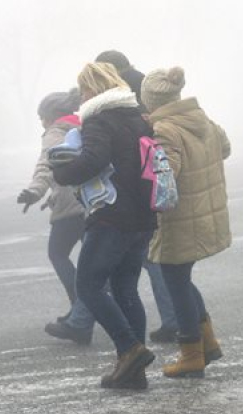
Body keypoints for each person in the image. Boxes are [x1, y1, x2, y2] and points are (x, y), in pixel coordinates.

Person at [52, 62, 156, 389]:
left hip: (111, 215)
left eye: (84, 89)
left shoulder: (98, 118)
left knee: (89, 286)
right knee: (125, 289)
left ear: (94, 89)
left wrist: (63, 173)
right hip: (142, 216)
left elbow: (94, 159)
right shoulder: (137, 117)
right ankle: (133, 372)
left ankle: (129, 349)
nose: (81, 96)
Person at [141, 66, 231, 378]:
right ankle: (208, 343)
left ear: (150, 100)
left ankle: (192, 353)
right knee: (182, 279)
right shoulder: (200, 118)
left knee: (175, 281)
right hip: (206, 212)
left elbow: (169, 174)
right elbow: (226, 148)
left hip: (179, 220)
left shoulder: (165, 129)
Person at [94, 49, 179, 343]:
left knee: (143, 265)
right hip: (146, 192)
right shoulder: (142, 86)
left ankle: (171, 323)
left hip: (135, 194)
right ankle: (175, 320)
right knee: (148, 262)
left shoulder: (123, 94)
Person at [17, 89, 94, 345]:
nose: (41, 122)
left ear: (51, 115)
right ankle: (81, 312)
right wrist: (52, 196)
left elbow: (47, 165)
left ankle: (79, 308)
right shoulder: (84, 126)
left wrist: (34, 192)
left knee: (58, 254)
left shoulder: (54, 133)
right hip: (92, 202)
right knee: (92, 262)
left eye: (42, 117)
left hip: (70, 208)